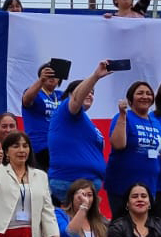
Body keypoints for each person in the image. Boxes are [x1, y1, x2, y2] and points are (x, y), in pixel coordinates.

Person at [47, 63, 112, 207]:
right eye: (88, 90)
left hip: (88, 184)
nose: (90, 94)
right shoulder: (66, 109)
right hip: (71, 182)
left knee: (84, 228)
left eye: (93, 92)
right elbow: (76, 99)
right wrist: (95, 76)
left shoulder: (84, 120)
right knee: (73, 228)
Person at [104, 81, 161, 213]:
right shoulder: (123, 117)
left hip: (149, 187)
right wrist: (122, 115)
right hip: (122, 186)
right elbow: (118, 144)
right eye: (140, 93)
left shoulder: (156, 123)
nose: (145, 96)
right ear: (131, 98)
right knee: (122, 228)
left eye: (149, 94)